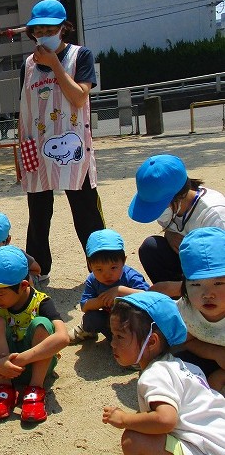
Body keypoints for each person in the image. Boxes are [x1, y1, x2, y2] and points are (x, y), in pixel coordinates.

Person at [18, 0, 105, 281]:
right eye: (38, 31)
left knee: (86, 211)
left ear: (63, 28)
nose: (43, 35)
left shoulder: (80, 56)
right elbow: (23, 109)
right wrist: (19, 151)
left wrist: (55, 64)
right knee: (38, 215)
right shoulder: (27, 65)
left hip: (73, 147)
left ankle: (102, 269)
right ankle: (38, 268)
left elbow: (79, 98)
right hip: (36, 147)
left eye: (49, 29)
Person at [103, 292, 225, 455]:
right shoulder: (186, 367)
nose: (112, 343)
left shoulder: (155, 374)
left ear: (151, 341)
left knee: (133, 439)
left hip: (208, 449)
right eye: (113, 335)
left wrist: (124, 419)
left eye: (120, 336)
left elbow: (165, 420)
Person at [0, 245, 69, 422]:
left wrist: (22, 359)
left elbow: (63, 337)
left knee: (42, 323)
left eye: (0, 294)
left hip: (37, 363)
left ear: (23, 285)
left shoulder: (41, 302)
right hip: (5, 368)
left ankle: (35, 390)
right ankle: (5, 389)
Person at [128, 154, 225, 284]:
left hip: (214, 271)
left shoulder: (215, 215)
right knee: (150, 248)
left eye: (159, 205)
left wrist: (178, 287)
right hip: (190, 262)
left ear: (180, 196)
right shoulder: (171, 207)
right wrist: (169, 234)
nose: (157, 212)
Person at [69, 229, 149, 344]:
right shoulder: (93, 280)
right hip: (110, 321)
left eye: (113, 268)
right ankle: (89, 331)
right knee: (90, 318)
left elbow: (149, 296)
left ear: (123, 261)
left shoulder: (131, 276)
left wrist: (120, 290)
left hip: (133, 322)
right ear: (90, 265)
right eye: (99, 269)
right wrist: (101, 301)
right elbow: (84, 306)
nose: (107, 274)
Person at [174, 227, 225, 394]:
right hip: (210, 355)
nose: (207, 294)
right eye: (196, 284)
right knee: (174, 367)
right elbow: (188, 341)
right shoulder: (186, 309)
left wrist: (220, 375)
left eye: (219, 283)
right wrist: (217, 353)